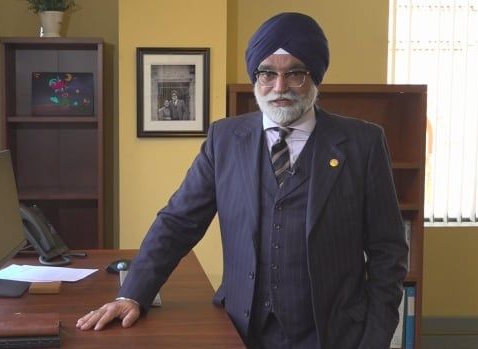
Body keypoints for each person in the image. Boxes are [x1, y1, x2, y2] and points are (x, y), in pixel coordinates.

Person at [76, 12, 408, 349]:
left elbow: (387, 252)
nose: (279, 87)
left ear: (315, 77)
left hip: (333, 335)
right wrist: (133, 293)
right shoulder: (225, 139)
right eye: (267, 73)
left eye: (295, 73)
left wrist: (375, 339)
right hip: (242, 331)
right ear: (255, 77)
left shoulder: (363, 143)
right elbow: (178, 222)